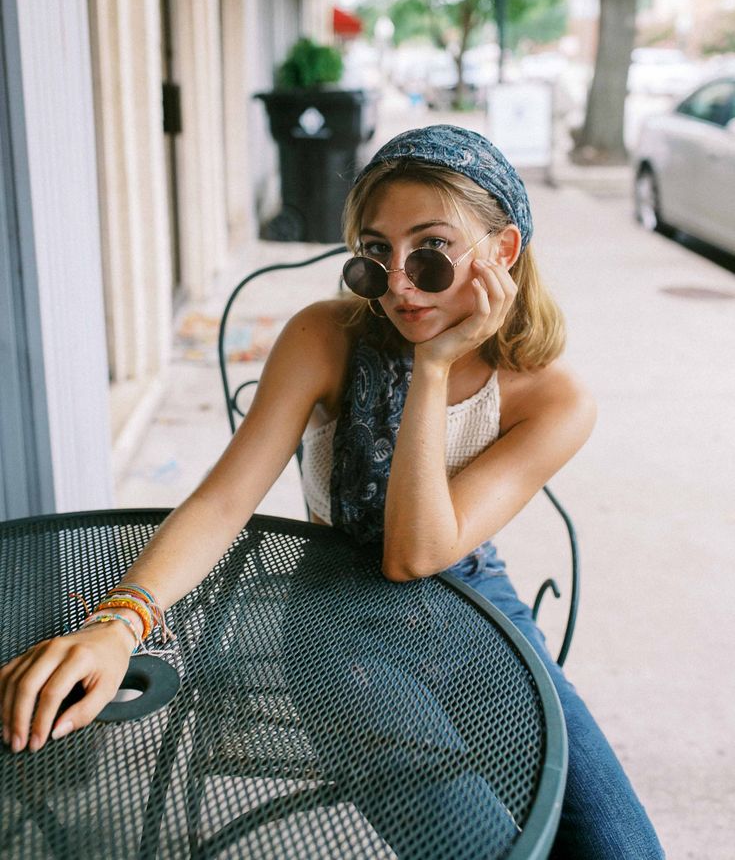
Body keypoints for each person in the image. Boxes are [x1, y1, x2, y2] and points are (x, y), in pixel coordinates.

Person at [0, 125, 663, 858]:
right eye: (377, 254)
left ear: (502, 251)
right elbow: (226, 502)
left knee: (620, 846)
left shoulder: (555, 397)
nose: (401, 284)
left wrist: (433, 366)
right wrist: (118, 624)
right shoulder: (324, 336)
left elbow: (425, 552)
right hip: (333, 616)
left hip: (478, 605)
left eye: (431, 252)